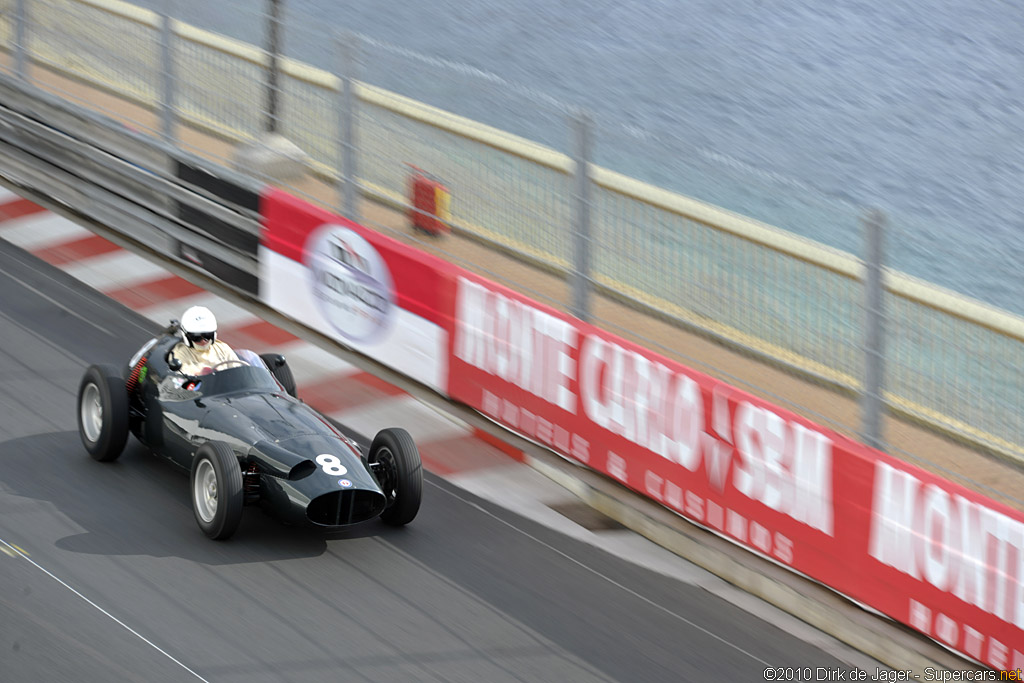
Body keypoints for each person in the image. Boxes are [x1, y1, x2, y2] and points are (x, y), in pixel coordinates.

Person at [169, 305, 239, 376]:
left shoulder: (222, 348)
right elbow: (181, 376)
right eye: (197, 337)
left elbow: (239, 369)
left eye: (207, 336)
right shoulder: (180, 354)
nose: (203, 341)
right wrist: (199, 373)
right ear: (187, 336)